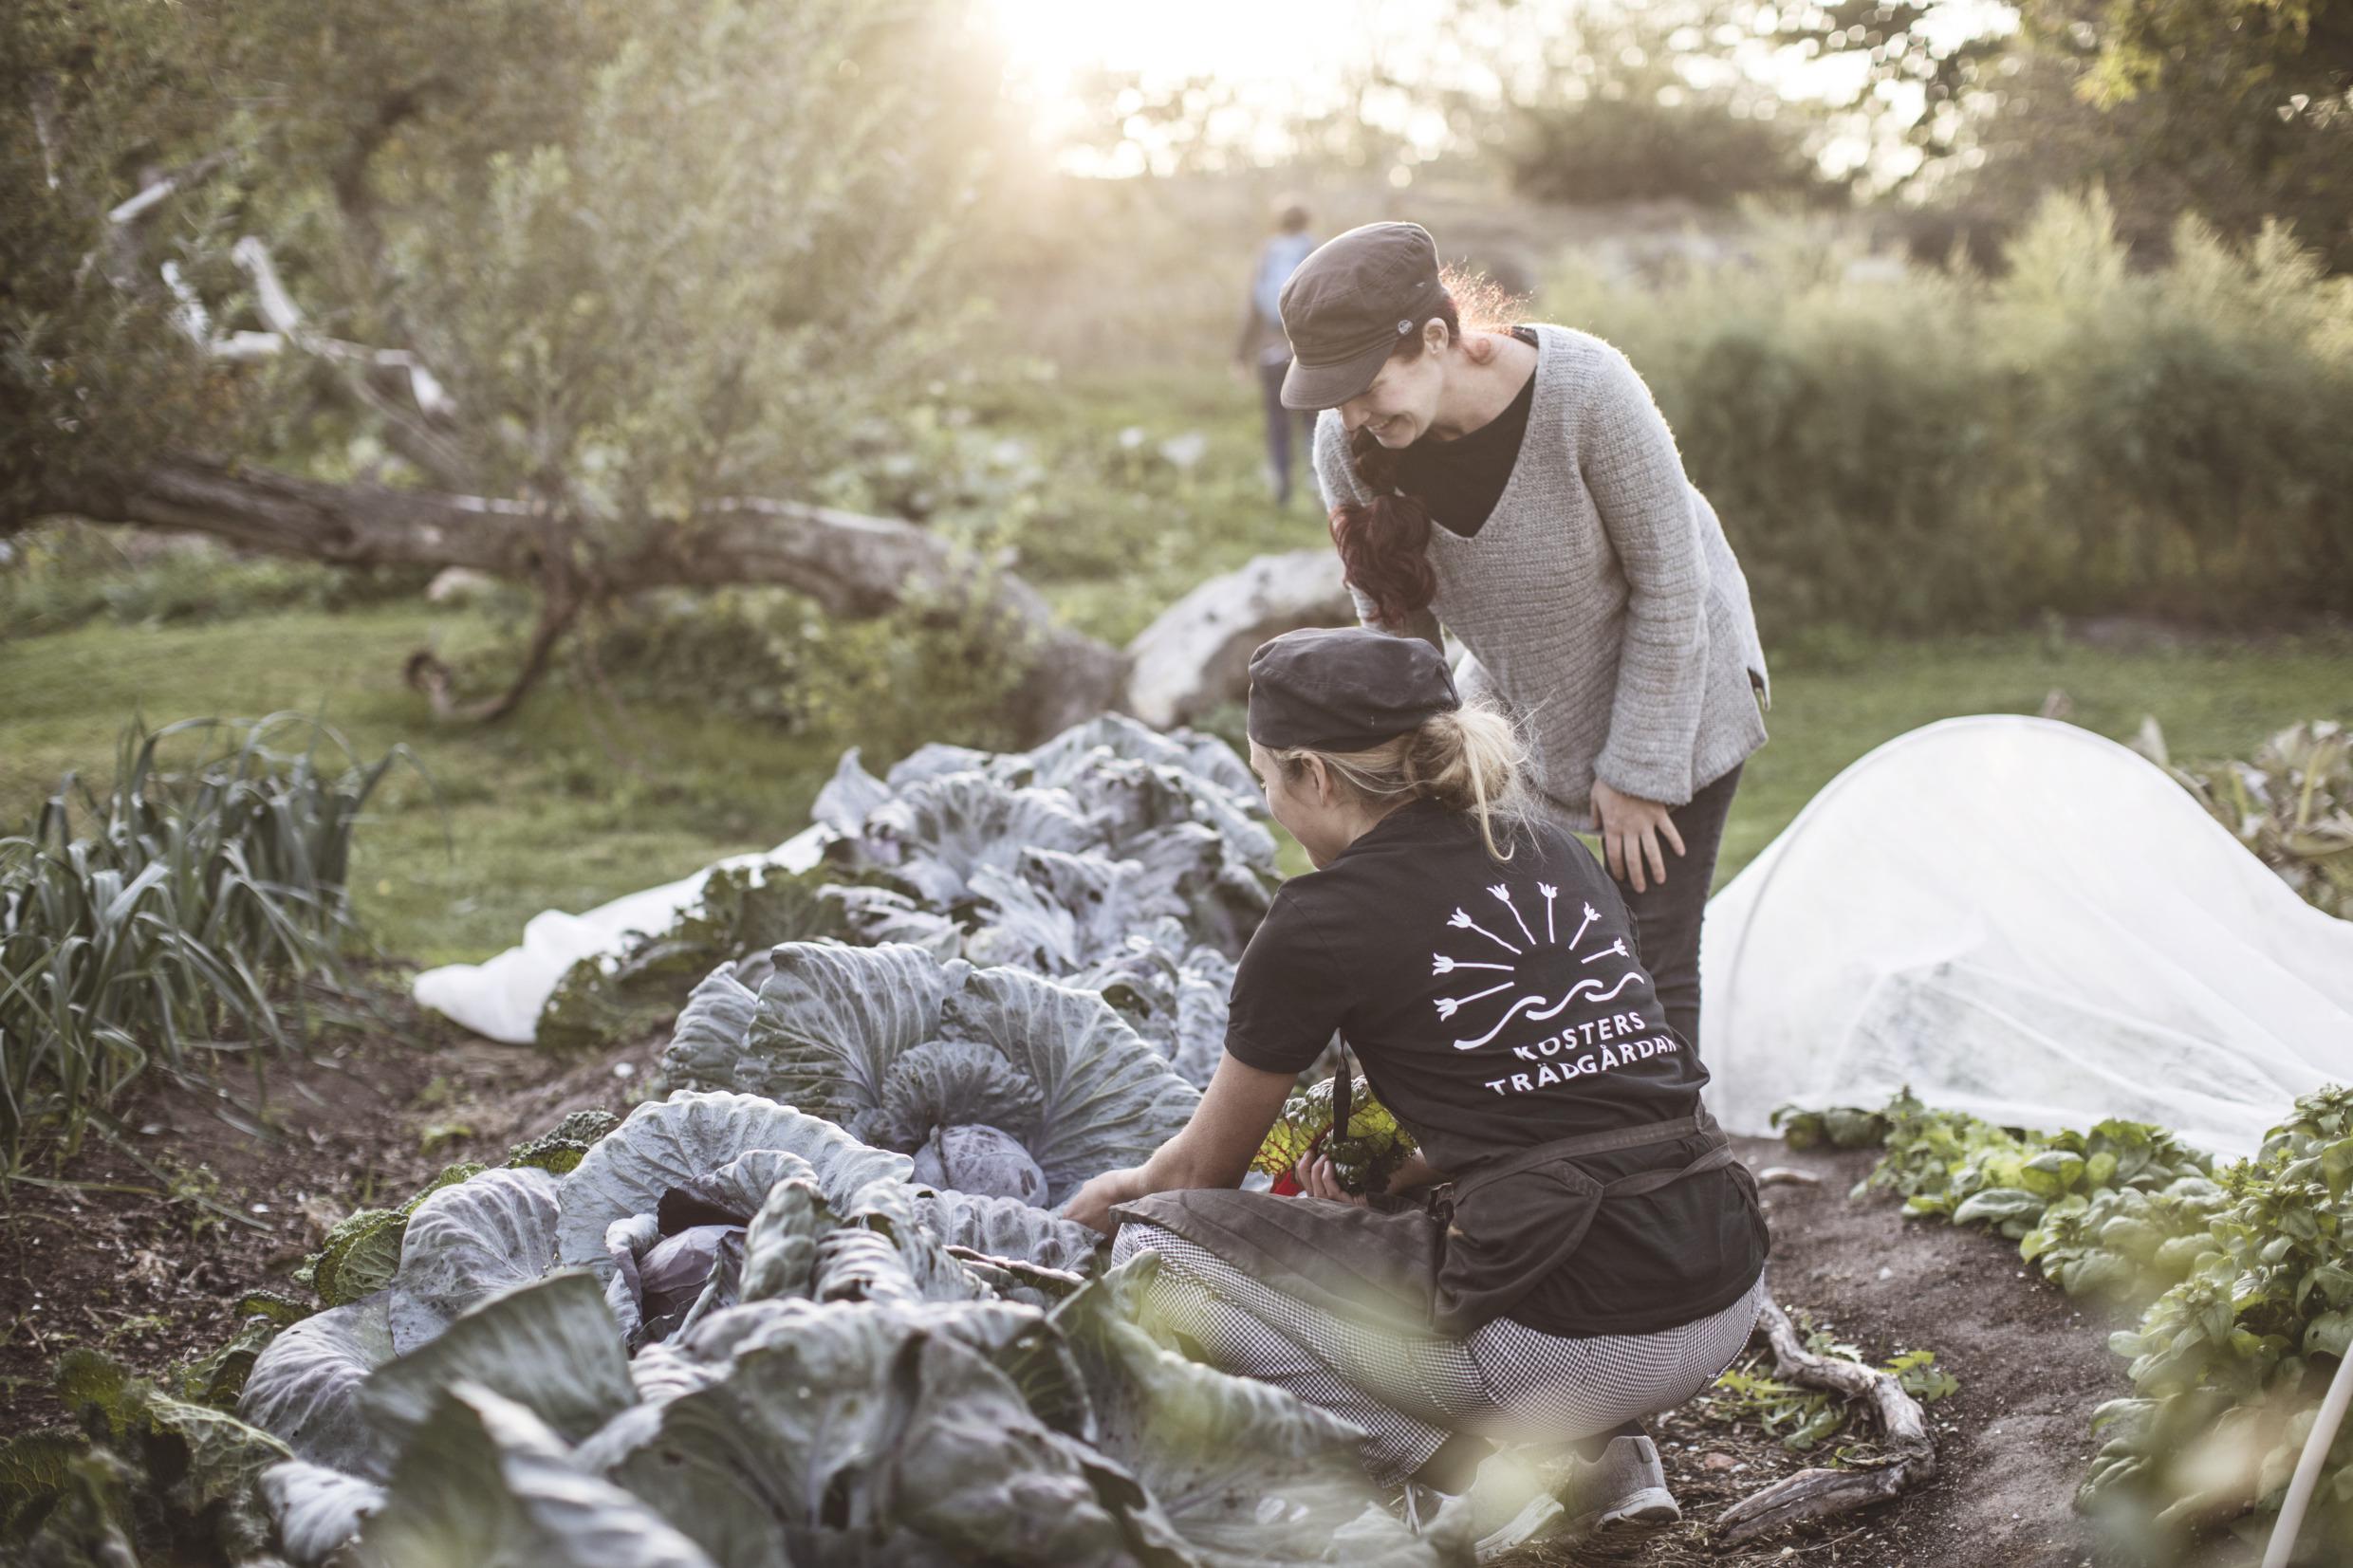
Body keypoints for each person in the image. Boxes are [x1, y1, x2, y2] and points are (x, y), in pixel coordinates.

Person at [1067, 626, 1769, 1550]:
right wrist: (1391, 1175)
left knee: (1158, 1260)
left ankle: (1485, 1479)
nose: (1268, 802)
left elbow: (1203, 1169)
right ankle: (1607, 1454)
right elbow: (1567, 1090)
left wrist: (1114, 1201)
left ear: (1313, 776)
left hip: (1573, 1331)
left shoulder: (1319, 919)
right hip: (1721, 1280)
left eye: (1263, 780)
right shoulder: (1554, 854)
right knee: (1406, 1205)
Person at [1276, 221, 1769, 1050]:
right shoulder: (1351, 444)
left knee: (1647, 960)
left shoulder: (1587, 389)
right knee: (1523, 949)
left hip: (1678, 679)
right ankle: (1550, 1155)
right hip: (1517, 696)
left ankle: (1679, 1171)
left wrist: (1640, 771)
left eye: (1366, 383)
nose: (1354, 413)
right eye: (1334, 393)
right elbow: (1397, 636)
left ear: (1436, 337)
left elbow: (1673, 584)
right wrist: (1398, 790)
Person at [1234, 198, 1319, 507]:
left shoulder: (1268, 254)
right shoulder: (1316, 251)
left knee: (1276, 420)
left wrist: (1240, 356)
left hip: (1270, 352)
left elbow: (1252, 309)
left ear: (1279, 223)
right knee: (1314, 419)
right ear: (1306, 222)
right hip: (1307, 354)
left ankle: (1282, 483)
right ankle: (1317, 483)